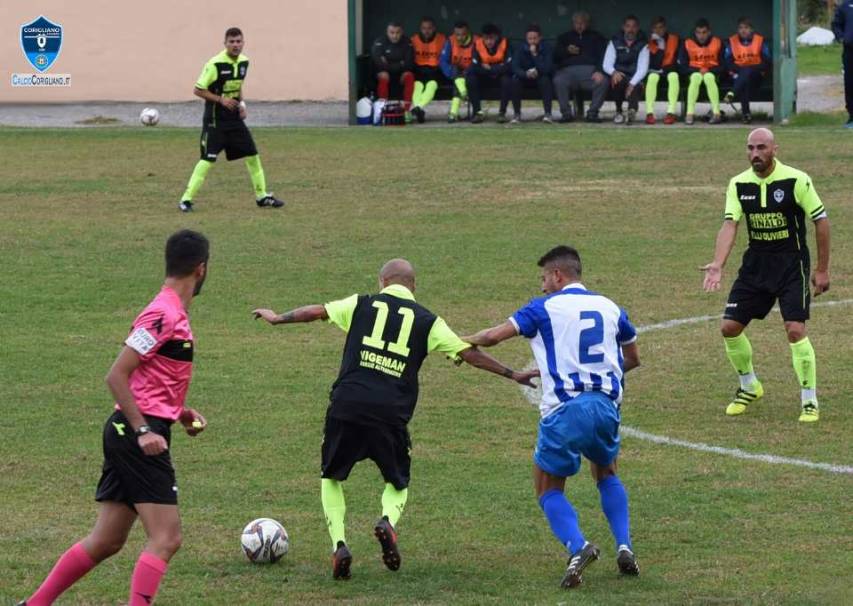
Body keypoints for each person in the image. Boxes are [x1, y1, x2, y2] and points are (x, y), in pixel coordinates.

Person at [252, 259, 538, 580]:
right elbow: (468, 353)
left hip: (348, 403)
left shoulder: (361, 304)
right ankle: (387, 521)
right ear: (413, 286)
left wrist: (278, 319)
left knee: (331, 477)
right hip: (391, 412)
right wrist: (512, 373)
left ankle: (340, 545)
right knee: (397, 482)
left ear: (382, 281)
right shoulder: (429, 321)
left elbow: (317, 311)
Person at [18, 230, 210, 606]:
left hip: (139, 427)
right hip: (136, 434)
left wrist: (179, 412)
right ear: (201, 269)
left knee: (107, 540)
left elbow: (148, 377)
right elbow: (116, 374)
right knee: (166, 537)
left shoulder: (169, 311)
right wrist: (143, 430)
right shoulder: (162, 314)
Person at [464, 246, 641, 589]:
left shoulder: (542, 307)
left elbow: (491, 338)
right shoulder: (611, 307)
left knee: (547, 487)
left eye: (544, 278)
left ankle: (579, 546)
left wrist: (457, 341)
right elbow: (632, 357)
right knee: (606, 472)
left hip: (565, 409)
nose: (543, 285)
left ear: (558, 276)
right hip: (606, 407)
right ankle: (625, 545)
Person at [701, 129, 831, 422]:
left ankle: (809, 399)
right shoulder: (738, 183)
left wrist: (822, 269)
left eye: (761, 148)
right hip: (755, 265)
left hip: (791, 264)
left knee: (795, 330)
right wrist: (718, 263)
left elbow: (821, 221)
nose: (755, 154)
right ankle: (750, 385)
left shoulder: (796, 179)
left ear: (775, 149)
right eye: (750, 148)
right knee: (729, 328)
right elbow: (730, 224)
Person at [179, 27, 283, 212]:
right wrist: (221, 100)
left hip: (234, 119)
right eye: (232, 42)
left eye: (238, 41)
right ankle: (186, 199)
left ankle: (262, 196)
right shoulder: (215, 63)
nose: (235, 45)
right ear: (225, 43)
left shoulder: (244, 61)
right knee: (207, 160)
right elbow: (198, 89)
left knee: (253, 156)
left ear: (243, 43)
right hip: (215, 120)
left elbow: (238, 85)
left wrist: (242, 104)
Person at [552, 11, 608, 123]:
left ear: (587, 23)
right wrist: (566, 51)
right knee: (558, 80)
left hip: (590, 72)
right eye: (577, 23)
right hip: (568, 72)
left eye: (582, 23)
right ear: (573, 24)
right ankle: (566, 114)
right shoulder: (564, 37)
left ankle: (593, 113)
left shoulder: (597, 37)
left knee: (604, 81)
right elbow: (555, 57)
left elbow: (604, 56)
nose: (579, 25)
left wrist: (599, 71)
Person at [723, 17, 771, 124]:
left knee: (747, 73)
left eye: (746, 27)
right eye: (740, 28)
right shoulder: (732, 41)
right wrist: (743, 69)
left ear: (751, 29)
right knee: (744, 79)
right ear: (737, 29)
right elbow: (728, 63)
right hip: (737, 76)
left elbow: (766, 62)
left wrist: (749, 68)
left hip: (756, 76)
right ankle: (746, 114)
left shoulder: (760, 41)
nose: (743, 30)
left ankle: (733, 94)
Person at [602, 15, 649, 124]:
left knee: (636, 85)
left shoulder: (643, 45)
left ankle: (631, 112)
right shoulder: (614, 42)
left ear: (637, 28)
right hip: (620, 74)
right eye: (628, 26)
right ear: (623, 27)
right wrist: (614, 72)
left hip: (634, 76)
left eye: (633, 27)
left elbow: (643, 68)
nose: (630, 30)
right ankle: (618, 111)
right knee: (617, 80)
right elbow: (606, 64)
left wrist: (632, 83)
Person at [678, 18, 724, 125]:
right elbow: (682, 66)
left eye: (704, 32)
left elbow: (723, 65)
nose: (701, 36)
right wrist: (698, 70)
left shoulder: (717, 42)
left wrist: (708, 70)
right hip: (693, 73)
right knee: (696, 77)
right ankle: (689, 114)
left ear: (709, 32)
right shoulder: (687, 43)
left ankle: (716, 113)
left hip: (713, 73)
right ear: (695, 33)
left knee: (709, 77)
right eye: (698, 32)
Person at [466, 23, 513, 124]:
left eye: (491, 38)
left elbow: (509, 66)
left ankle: (502, 113)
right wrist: (498, 66)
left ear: (497, 37)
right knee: (471, 78)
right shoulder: (477, 44)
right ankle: (477, 113)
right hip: (484, 77)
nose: (489, 41)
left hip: (499, 77)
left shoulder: (505, 43)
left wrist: (491, 68)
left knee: (507, 79)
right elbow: (475, 67)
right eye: (486, 38)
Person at [371, 21, 415, 121]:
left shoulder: (407, 42)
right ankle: (382, 110)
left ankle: (407, 111)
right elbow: (378, 63)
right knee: (383, 75)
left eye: (397, 32)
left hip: (400, 76)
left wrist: (387, 64)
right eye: (392, 32)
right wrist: (400, 63)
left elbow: (408, 64)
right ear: (387, 32)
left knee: (409, 75)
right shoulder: (380, 42)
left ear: (402, 32)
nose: (395, 36)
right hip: (385, 75)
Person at [511, 24, 554, 123]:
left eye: (535, 38)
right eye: (529, 38)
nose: (532, 41)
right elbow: (515, 67)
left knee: (546, 80)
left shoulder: (546, 48)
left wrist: (535, 55)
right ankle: (516, 114)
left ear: (540, 38)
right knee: (515, 81)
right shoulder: (520, 48)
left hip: (540, 76)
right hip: (525, 77)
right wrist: (525, 74)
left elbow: (547, 68)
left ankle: (548, 114)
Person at [644, 16, 680, 125]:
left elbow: (678, 60)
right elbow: (654, 64)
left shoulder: (674, 39)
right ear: (652, 29)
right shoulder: (649, 42)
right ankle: (649, 113)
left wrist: (667, 68)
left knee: (673, 76)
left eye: (661, 27)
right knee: (652, 77)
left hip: (670, 70)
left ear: (665, 28)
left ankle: (671, 113)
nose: (658, 30)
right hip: (655, 72)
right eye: (655, 28)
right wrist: (659, 45)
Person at [410, 16, 447, 123]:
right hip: (419, 69)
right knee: (417, 86)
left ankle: (418, 107)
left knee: (432, 85)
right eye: (424, 28)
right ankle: (419, 109)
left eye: (429, 28)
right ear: (420, 29)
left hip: (435, 70)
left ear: (434, 28)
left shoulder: (442, 39)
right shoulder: (414, 39)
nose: (426, 31)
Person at [439, 21, 477, 122]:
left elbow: (478, 62)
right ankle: (463, 92)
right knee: (456, 73)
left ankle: (453, 113)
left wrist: (467, 72)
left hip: (471, 73)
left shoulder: (476, 41)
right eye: (457, 34)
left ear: (468, 32)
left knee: (459, 80)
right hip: (455, 73)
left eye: (463, 34)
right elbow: (443, 62)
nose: (460, 37)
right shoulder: (450, 41)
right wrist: (452, 73)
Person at [831, 0, 853, 127]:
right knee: (850, 83)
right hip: (850, 52)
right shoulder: (845, 6)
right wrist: (842, 37)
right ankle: (852, 117)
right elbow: (836, 24)